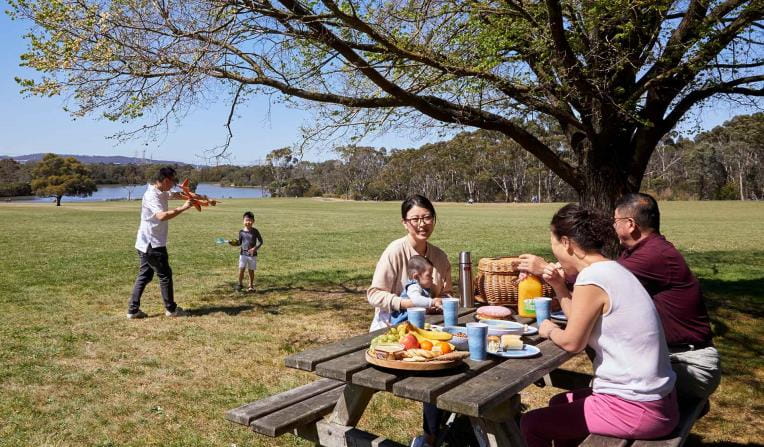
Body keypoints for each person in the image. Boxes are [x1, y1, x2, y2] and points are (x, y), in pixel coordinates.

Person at [521, 203, 678, 447]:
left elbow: (573, 341)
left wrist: (548, 329)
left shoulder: (592, 278)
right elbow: (579, 321)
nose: (554, 253)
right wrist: (561, 287)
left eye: (553, 244)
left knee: (531, 424)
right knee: (560, 404)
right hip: (660, 399)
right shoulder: (611, 269)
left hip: (638, 407)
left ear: (566, 243)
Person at [614, 193, 720, 401]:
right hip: (671, 358)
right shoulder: (642, 250)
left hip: (690, 364)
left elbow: (601, 280)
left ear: (630, 224)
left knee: (608, 389)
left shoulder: (653, 255)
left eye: (615, 221)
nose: (613, 227)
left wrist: (550, 271)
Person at [367, 195, 452, 447]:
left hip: (428, 330)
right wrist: (408, 303)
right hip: (391, 332)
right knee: (435, 373)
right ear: (405, 223)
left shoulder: (440, 256)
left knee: (452, 362)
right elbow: (374, 294)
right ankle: (430, 437)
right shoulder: (395, 251)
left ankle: (441, 431)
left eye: (427, 217)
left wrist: (441, 299)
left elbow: (444, 294)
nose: (421, 224)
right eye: (415, 219)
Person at [127, 167, 204, 318]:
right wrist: (183, 208)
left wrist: (197, 197)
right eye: (173, 182)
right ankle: (171, 309)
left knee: (145, 275)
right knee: (165, 275)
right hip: (152, 244)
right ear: (166, 180)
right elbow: (161, 216)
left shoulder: (161, 191)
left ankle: (133, 310)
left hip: (144, 242)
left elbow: (176, 194)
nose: (173, 185)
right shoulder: (152, 196)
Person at [389, 255, 436, 324]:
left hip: (414, 320)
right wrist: (433, 302)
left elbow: (420, 305)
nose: (432, 278)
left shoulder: (422, 287)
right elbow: (416, 300)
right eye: (429, 275)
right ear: (416, 276)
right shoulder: (413, 287)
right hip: (403, 321)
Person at [229, 211, 264, 292]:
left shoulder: (255, 231)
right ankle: (240, 284)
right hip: (243, 255)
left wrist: (255, 248)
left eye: (250, 220)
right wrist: (233, 243)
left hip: (252, 255)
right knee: (241, 269)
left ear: (253, 221)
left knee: (251, 271)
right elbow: (239, 243)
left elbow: (261, 241)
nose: (248, 222)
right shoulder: (241, 232)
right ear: (243, 221)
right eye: (246, 220)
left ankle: (251, 286)